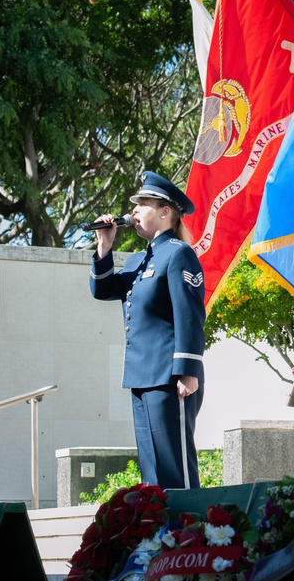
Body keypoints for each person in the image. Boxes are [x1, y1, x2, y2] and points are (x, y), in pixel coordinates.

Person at [89, 171, 205, 489]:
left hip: (170, 376)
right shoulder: (138, 261)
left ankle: (188, 535)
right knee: (152, 472)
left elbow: (190, 315)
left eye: (143, 204)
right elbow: (104, 290)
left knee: (175, 468)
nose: (135, 211)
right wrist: (104, 247)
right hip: (142, 376)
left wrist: (187, 370)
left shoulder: (178, 253)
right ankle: (158, 536)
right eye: (135, 205)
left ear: (165, 211)